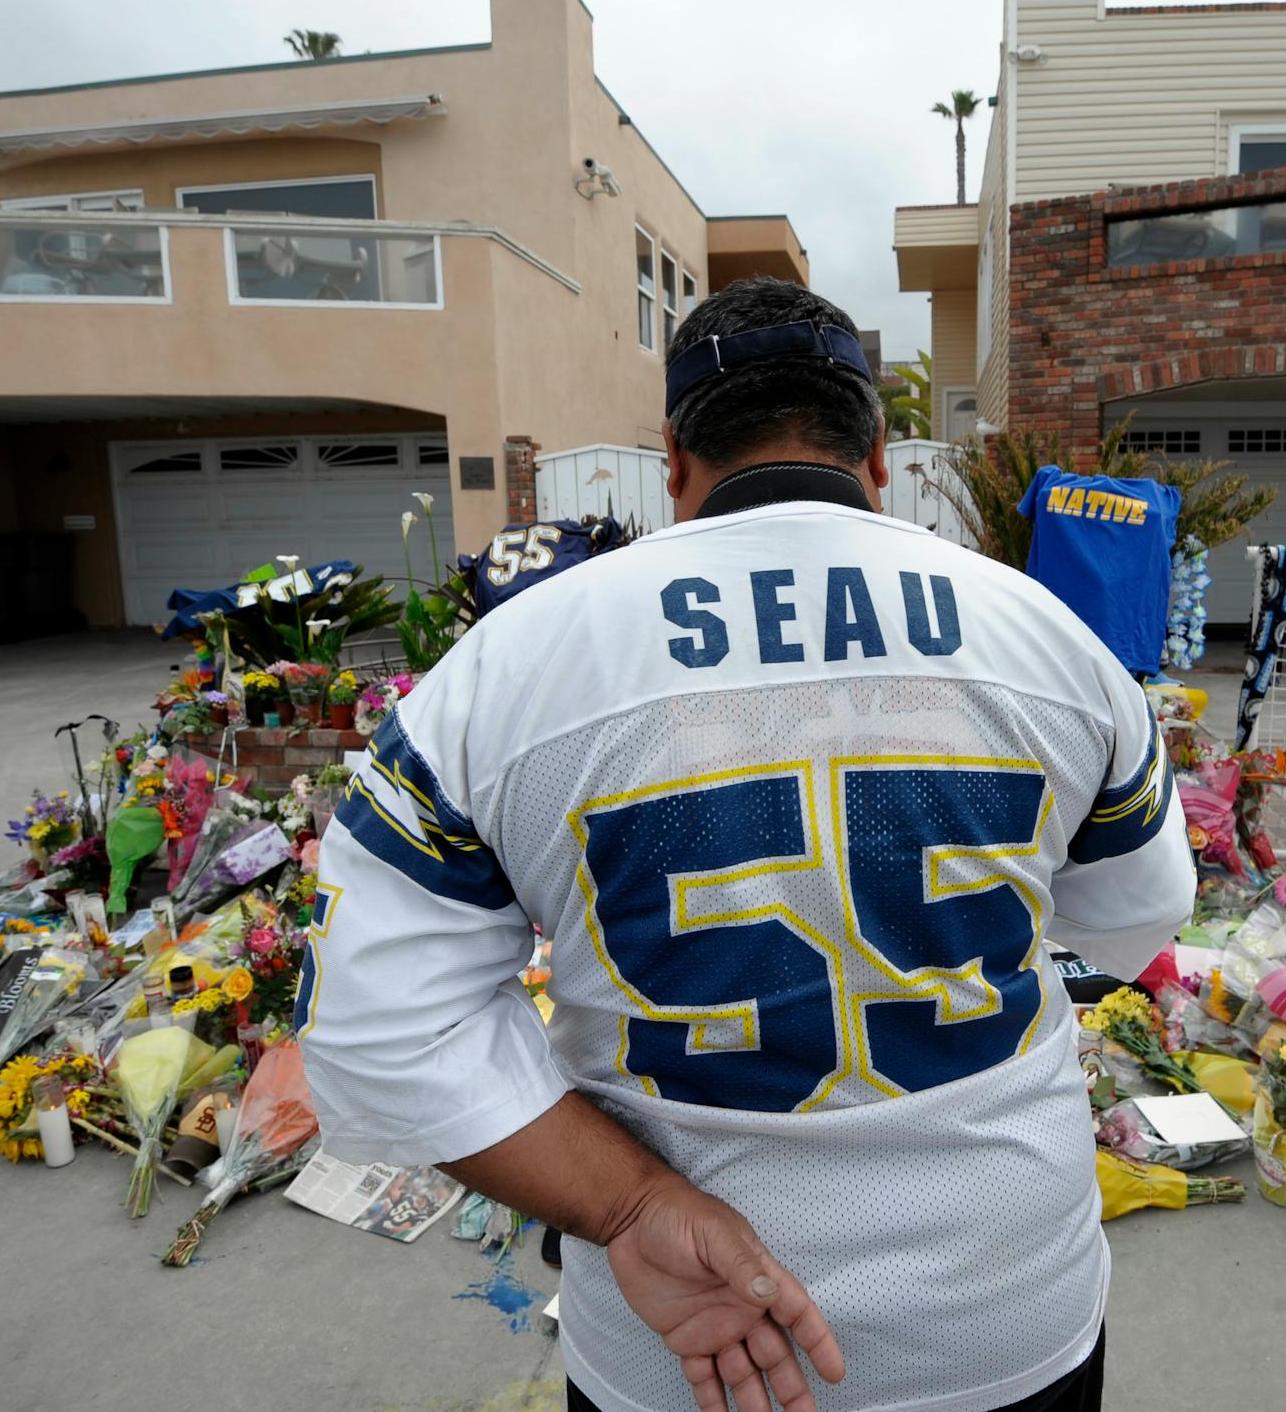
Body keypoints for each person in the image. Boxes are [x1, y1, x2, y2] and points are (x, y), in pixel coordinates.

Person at [301, 277, 1194, 1412]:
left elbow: (378, 1031)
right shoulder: (1051, 641)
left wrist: (627, 1206)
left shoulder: (504, 669)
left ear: (673, 461)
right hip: (1006, 1305)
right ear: (878, 457)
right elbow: (1133, 920)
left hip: (686, 1344)